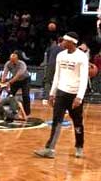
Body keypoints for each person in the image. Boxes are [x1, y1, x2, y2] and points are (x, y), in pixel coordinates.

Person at [34, 31, 89, 159]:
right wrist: (52, 93)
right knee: (56, 121)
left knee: (78, 122)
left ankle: (79, 146)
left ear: (71, 43)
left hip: (74, 94)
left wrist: (79, 97)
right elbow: (57, 75)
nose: (62, 42)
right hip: (61, 92)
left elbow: (84, 78)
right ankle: (50, 149)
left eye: (65, 40)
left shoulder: (81, 57)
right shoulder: (60, 55)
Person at [0, 51, 31, 116]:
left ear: (17, 59)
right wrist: (2, 81)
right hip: (15, 80)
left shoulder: (22, 64)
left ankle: (27, 112)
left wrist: (9, 82)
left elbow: (18, 75)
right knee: (10, 95)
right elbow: (5, 72)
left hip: (25, 80)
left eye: (13, 60)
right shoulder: (8, 63)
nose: (12, 62)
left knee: (25, 95)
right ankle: (7, 110)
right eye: (11, 60)